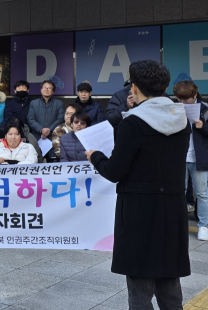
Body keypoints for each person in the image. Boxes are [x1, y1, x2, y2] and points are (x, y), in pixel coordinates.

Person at [86, 60, 191, 309]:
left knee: (140, 291)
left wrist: (95, 156)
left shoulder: (132, 122)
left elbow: (115, 171)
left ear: (134, 87)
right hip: (172, 210)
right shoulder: (182, 119)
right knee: (170, 286)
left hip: (139, 212)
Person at [173, 80, 208, 241]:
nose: (182, 102)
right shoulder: (175, 108)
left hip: (199, 158)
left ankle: (203, 226)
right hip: (179, 157)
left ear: (194, 95)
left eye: (185, 99)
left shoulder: (205, 109)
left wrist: (203, 127)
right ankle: (179, 225)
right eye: (179, 98)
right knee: (178, 192)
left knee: (202, 194)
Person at [27, 80, 65, 151]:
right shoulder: (33, 103)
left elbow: (60, 119)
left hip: (53, 136)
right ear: (41, 90)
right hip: (37, 136)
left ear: (53, 91)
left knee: (53, 159)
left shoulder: (59, 103)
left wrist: (49, 130)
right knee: (37, 158)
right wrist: (41, 129)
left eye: (49, 88)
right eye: (45, 87)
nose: (46, 90)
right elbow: (30, 119)